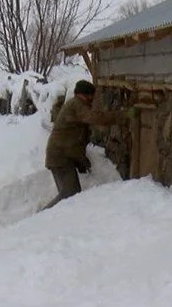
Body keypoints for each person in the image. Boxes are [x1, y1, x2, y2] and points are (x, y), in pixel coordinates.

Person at [41, 80, 130, 210]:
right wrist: (122, 115)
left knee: (69, 194)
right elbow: (95, 118)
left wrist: (81, 161)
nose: (92, 99)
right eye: (91, 96)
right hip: (59, 157)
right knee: (70, 194)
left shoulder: (74, 104)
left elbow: (73, 140)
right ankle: (43, 218)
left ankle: (54, 218)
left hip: (61, 156)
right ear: (83, 95)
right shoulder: (77, 105)